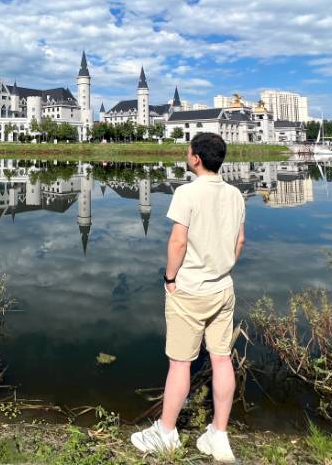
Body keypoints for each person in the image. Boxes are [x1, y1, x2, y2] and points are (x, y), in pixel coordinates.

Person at [131, 133, 246, 461]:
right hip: (223, 287)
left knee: (181, 363)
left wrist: (170, 278)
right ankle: (218, 435)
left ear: (196, 158)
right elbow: (239, 241)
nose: (186, 154)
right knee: (221, 359)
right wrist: (222, 267)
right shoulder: (236, 194)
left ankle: (166, 433)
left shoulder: (186, 192)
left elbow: (178, 242)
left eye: (188, 151)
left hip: (190, 289)